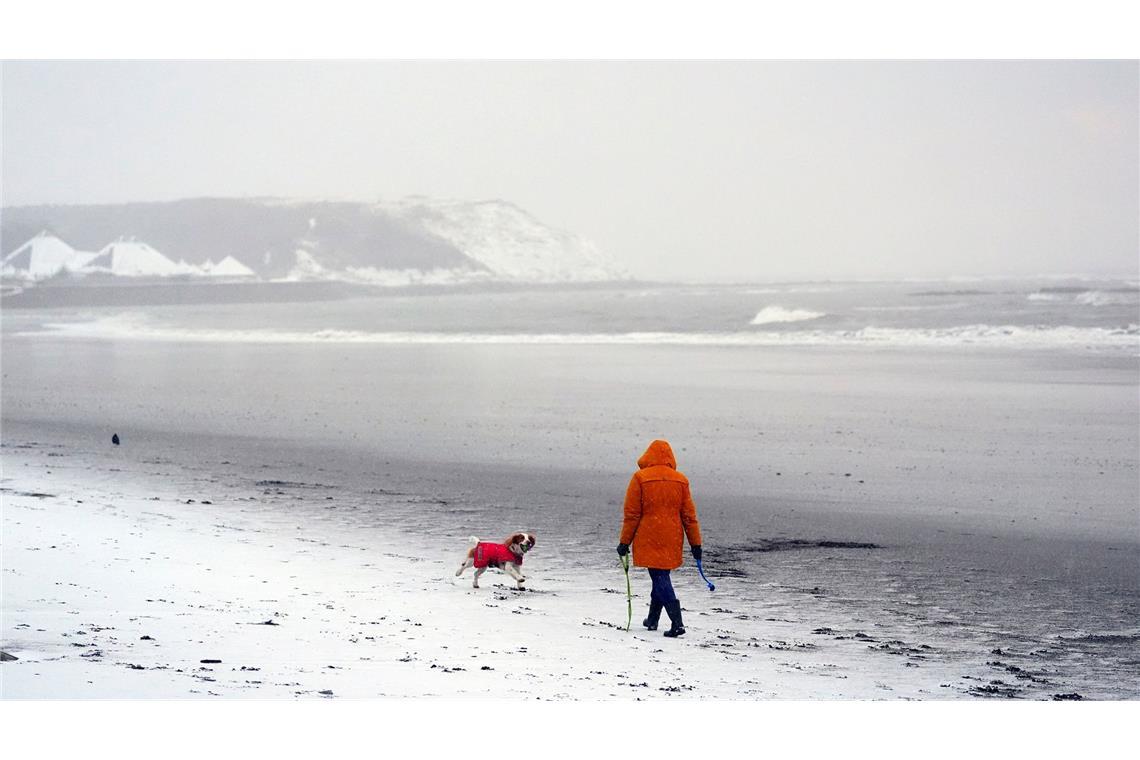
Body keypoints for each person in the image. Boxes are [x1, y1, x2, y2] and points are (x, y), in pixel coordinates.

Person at [617, 439, 702, 638]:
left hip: (649, 535)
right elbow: (689, 517)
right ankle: (653, 619)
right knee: (660, 574)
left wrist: (624, 542)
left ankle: (677, 622)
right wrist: (695, 544)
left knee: (659, 576)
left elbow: (632, 515)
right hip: (672, 536)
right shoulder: (680, 480)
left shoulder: (640, 478)